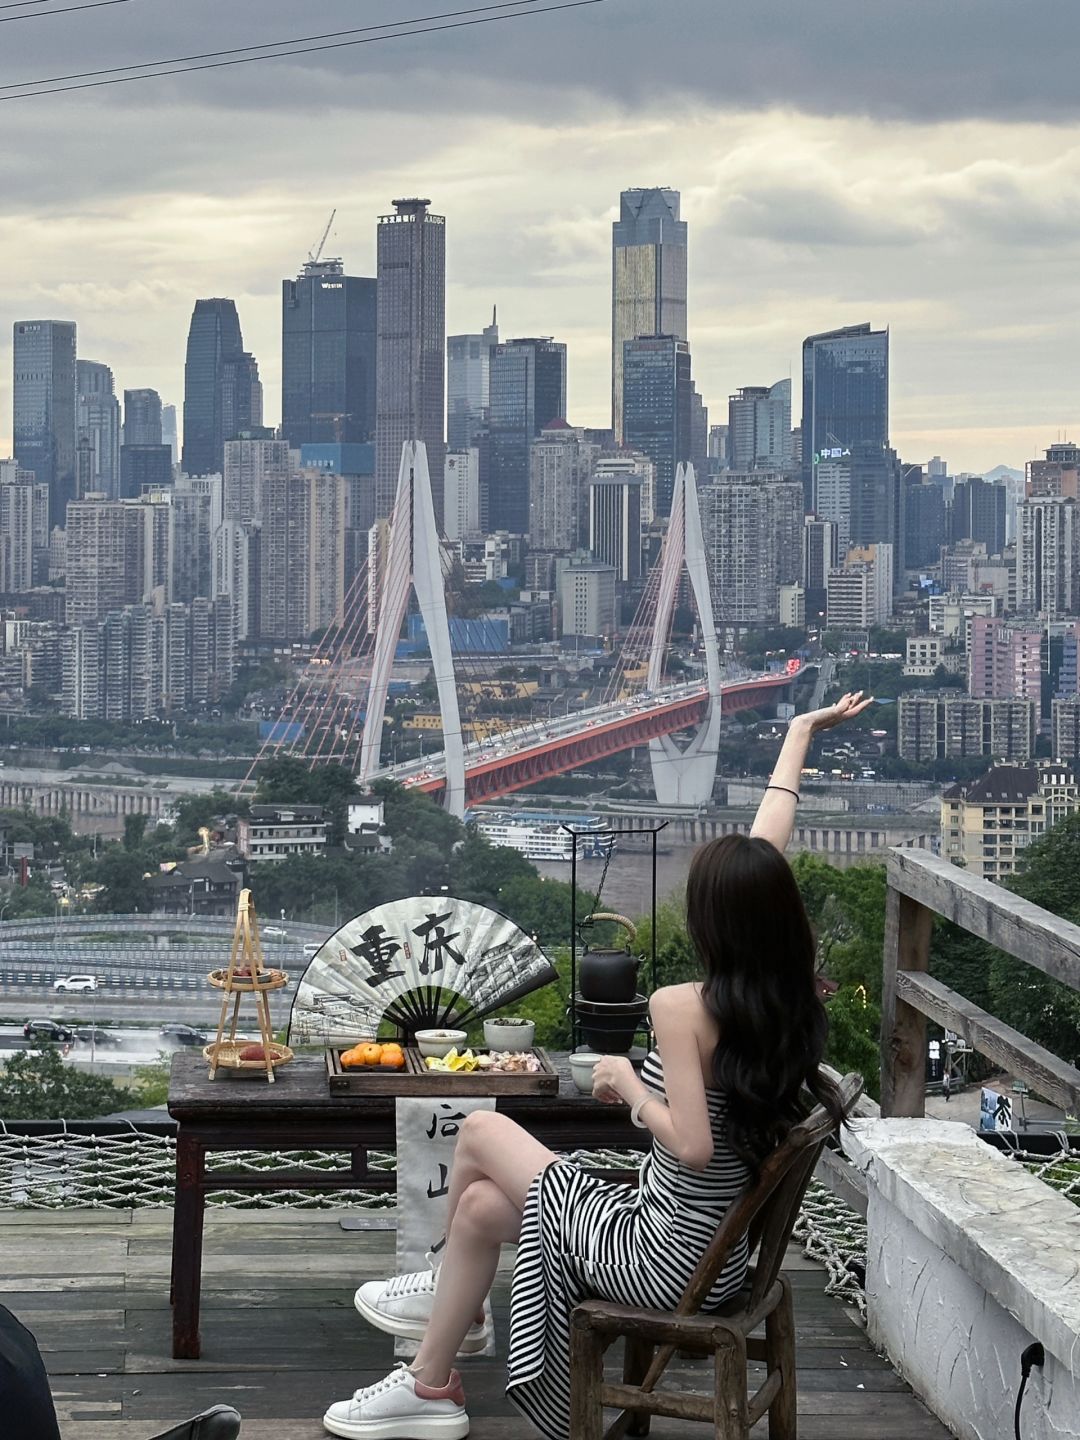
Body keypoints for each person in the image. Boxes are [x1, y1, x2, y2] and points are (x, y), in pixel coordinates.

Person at [323, 692, 872, 1440]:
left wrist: (626, 1091)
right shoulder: (787, 998)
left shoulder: (684, 1009)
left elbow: (693, 1145)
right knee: (483, 1208)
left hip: (661, 1258)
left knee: (481, 1131)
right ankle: (433, 1384)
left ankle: (447, 1293)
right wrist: (799, 735)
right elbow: (765, 849)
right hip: (716, 1260)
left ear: (715, 922)